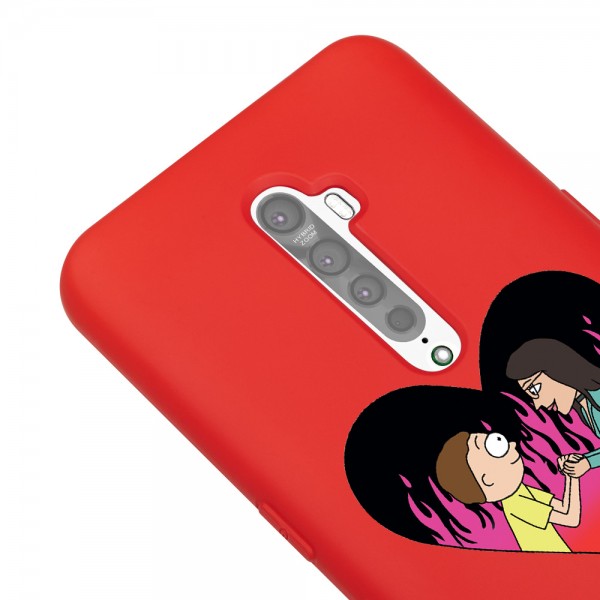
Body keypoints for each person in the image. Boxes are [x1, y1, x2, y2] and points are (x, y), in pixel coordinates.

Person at [436, 430, 580, 552]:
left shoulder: (519, 492)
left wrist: (569, 473)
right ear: (488, 479)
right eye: (495, 449)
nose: (512, 445)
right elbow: (571, 519)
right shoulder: (517, 506)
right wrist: (574, 474)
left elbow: (563, 508)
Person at [506, 338, 600, 477]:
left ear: (558, 369)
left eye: (535, 389)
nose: (537, 404)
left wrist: (588, 462)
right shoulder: (583, 405)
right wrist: (583, 460)